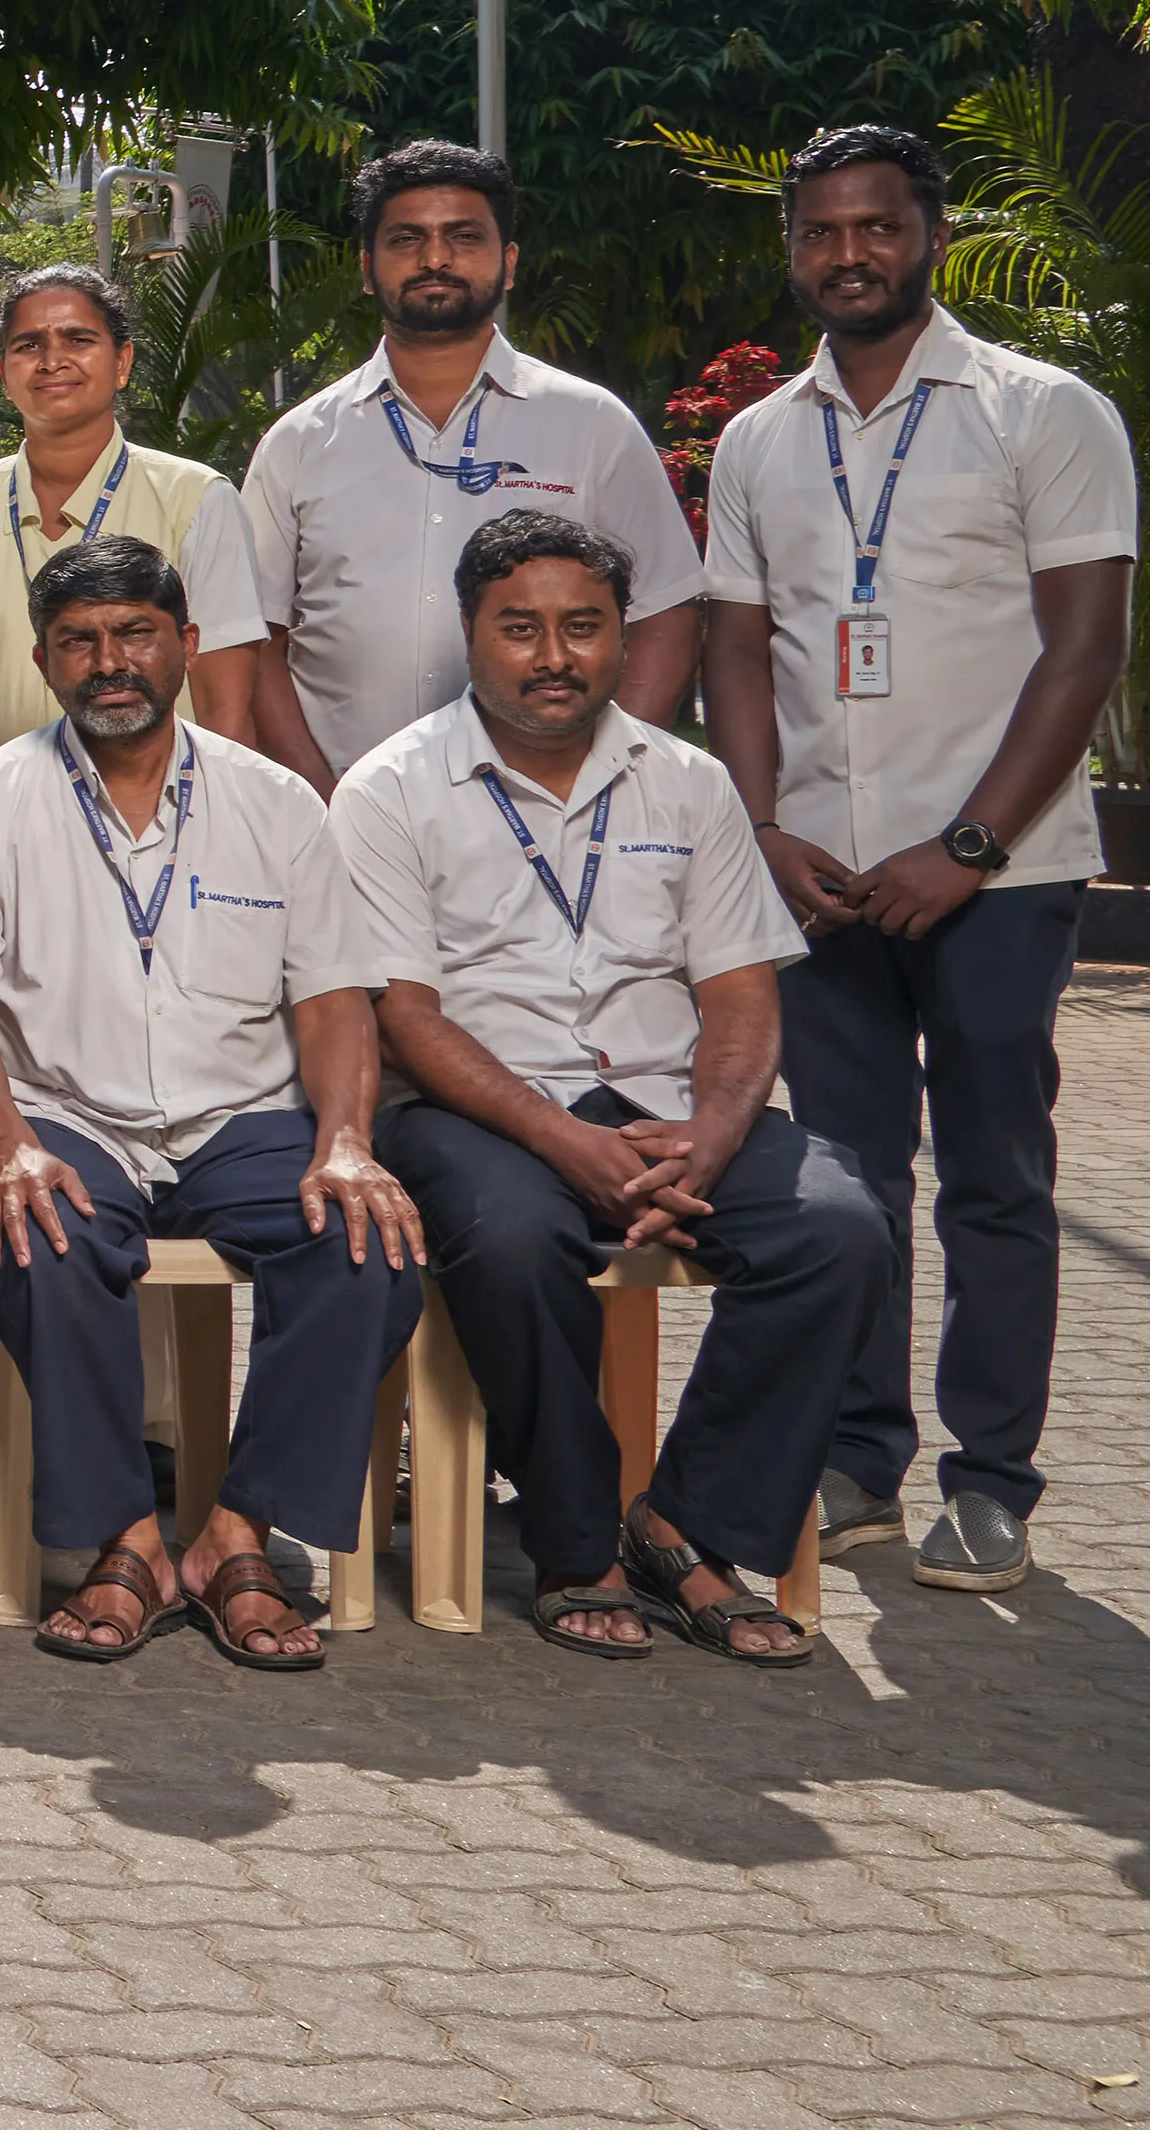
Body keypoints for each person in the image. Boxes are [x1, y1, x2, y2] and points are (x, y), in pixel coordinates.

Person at [694, 121, 1133, 1595]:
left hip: (996, 879)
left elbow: (1083, 652)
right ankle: (860, 1457)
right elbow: (738, 649)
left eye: (876, 227)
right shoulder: (761, 439)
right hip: (825, 874)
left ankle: (994, 1478)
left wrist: (968, 845)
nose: (848, 255)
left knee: (995, 1179)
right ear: (793, 250)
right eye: (820, 233)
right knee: (850, 1180)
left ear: (930, 233)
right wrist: (762, 827)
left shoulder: (1041, 411)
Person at [350, 510, 888, 1665]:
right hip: (472, 1110)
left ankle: (688, 1522)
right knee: (508, 1241)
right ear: (470, 634)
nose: (553, 656)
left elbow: (742, 997)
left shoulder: (688, 785)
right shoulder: (390, 790)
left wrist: (711, 1135)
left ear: (619, 640)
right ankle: (574, 1539)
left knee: (839, 1230)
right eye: (521, 628)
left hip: (665, 1108)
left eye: (582, 628)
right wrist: (561, 1141)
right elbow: (403, 1016)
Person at [0, 534, 421, 1672]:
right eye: (79, 642)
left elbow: (336, 1008)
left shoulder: (278, 805)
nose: (110, 662)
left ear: (185, 646)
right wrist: (4, 1144)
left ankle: (235, 1535)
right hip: (58, 1113)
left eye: (134, 633)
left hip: (236, 1118)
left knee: (365, 1245)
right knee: (39, 1235)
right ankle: (126, 1538)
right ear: (42, 662)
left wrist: (344, 1143)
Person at [238, 140, 701, 794]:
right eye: (407, 239)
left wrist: (608, 780)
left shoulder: (591, 424)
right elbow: (257, 637)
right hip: (344, 816)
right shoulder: (300, 442)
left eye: (463, 236)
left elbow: (666, 613)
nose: (435, 258)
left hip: (550, 809)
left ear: (508, 263)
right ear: (368, 268)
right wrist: (317, 793)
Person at [0, 262, 271, 754]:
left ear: (122, 363)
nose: (52, 360)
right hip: (2, 813)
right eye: (28, 344)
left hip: (159, 813)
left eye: (78, 340)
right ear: (3, 372)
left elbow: (226, 706)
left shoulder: (195, 498)